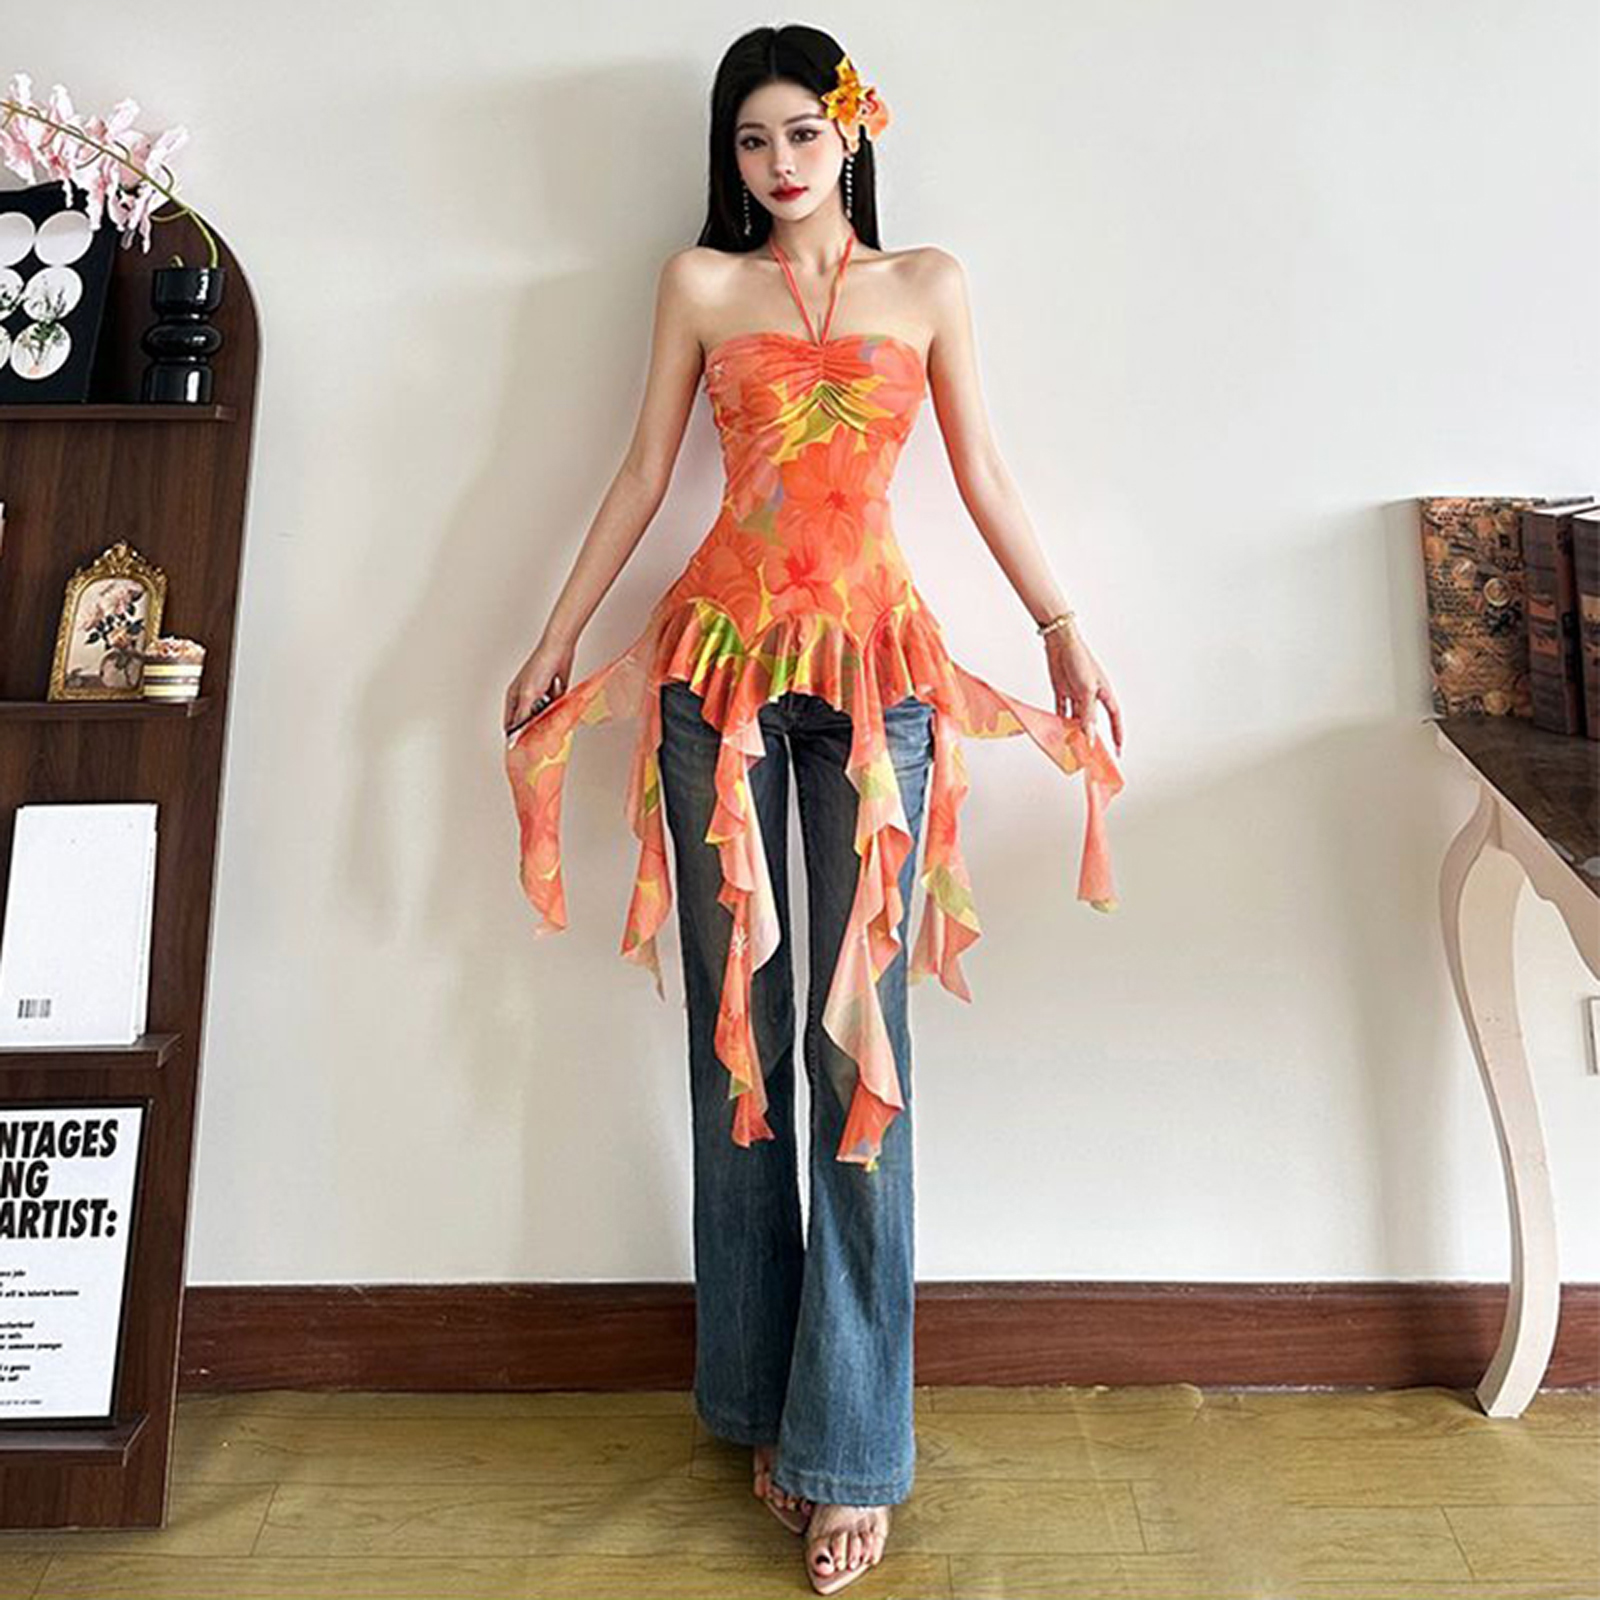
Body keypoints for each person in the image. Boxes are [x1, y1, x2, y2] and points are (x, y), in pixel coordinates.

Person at [502, 24, 1126, 1594]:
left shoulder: (929, 284)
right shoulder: (698, 286)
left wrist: (1062, 628)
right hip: (715, 674)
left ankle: (851, 1443)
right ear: (730, 155)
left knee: (860, 1050)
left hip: (874, 678)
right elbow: (642, 474)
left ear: (851, 134)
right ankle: (754, 1401)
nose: (778, 163)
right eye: (751, 139)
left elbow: (983, 475)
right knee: (741, 1042)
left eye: (801, 132)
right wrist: (558, 634)